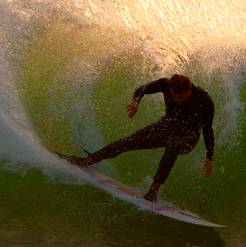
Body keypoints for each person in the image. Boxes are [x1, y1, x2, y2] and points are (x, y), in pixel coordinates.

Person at [61, 73, 214, 201]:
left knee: (173, 144)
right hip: (166, 127)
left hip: (188, 137)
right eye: (173, 96)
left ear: (189, 90)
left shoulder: (204, 100)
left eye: (180, 97)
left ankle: (153, 191)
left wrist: (209, 158)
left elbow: (207, 130)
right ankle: (88, 160)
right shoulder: (165, 84)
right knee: (127, 142)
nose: (176, 100)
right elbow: (144, 88)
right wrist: (136, 100)